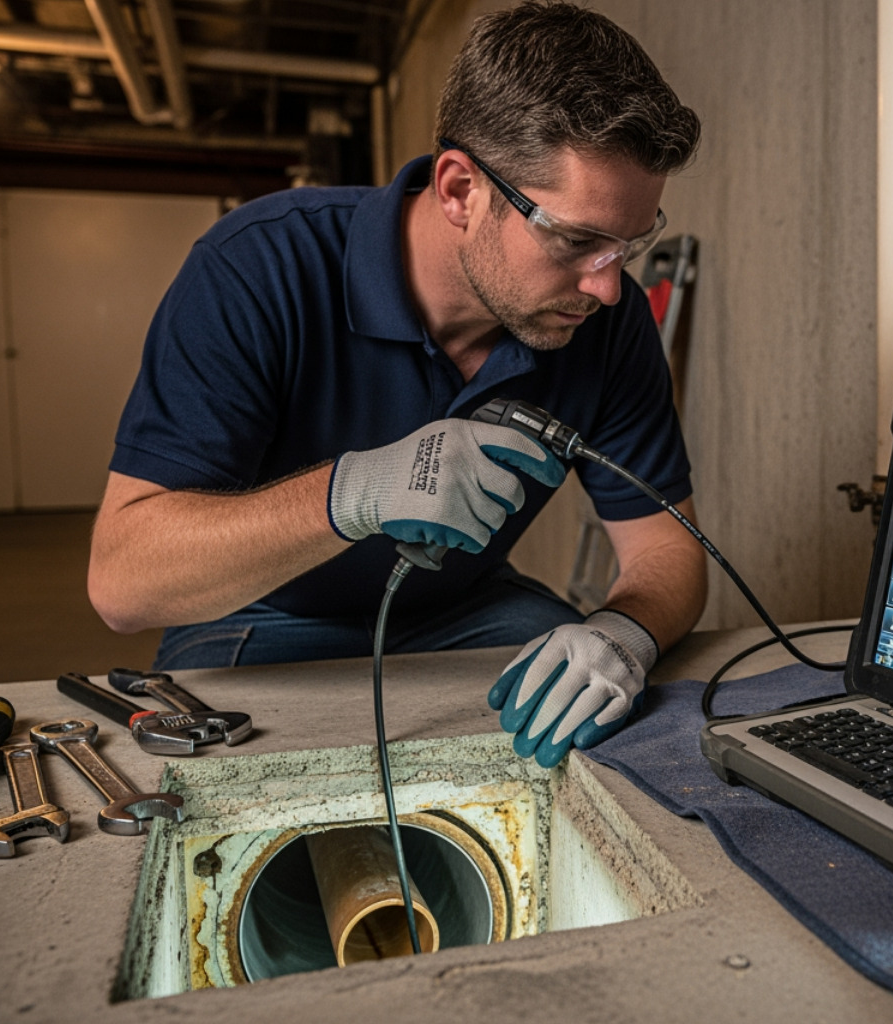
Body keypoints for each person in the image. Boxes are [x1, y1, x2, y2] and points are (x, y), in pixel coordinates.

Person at [87, 1, 707, 769]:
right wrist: (356, 493)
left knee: (627, 754)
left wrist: (626, 632)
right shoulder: (256, 268)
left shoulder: (604, 323)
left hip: (469, 609)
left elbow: (668, 550)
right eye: (578, 240)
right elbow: (123, 580)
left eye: (629, 243)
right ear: (458, 190)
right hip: (262, 618)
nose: (609, 287)